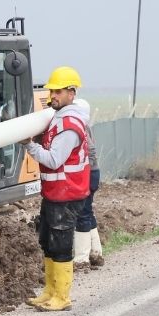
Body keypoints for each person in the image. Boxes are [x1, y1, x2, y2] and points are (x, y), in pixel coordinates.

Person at [20, 66, 91, 312]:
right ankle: (49, 291)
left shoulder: (69, 124)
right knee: (48, 241)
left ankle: (62, 296)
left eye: (58, 91)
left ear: (71, 93)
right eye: (52, 90)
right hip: (55, 192)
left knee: (60, 243)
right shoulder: (58, 118)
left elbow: (53, 160)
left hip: (67, 194)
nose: (53, 95)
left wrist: (29, 146)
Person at [71, 98, 104, 269]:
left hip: (88, 173)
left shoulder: (80, 127)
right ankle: (96, 252)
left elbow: (90, 150)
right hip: (93, 173)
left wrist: (85, 168)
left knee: (82, 212)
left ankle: (81, 258)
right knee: (88, 211)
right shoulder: (85, 125)